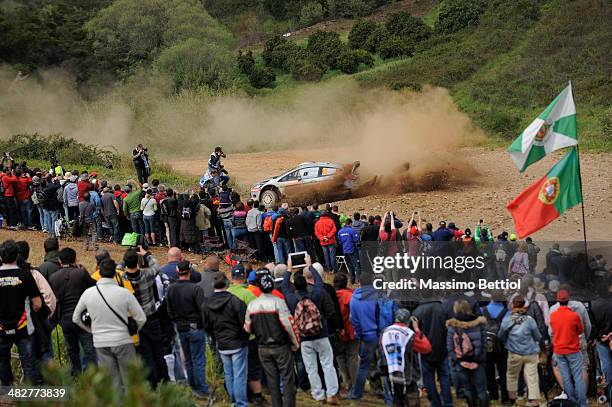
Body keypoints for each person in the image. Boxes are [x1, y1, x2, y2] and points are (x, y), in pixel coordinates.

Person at [72, 259, 146, 390]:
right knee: (130, 381)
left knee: (113, 382)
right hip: (122, 340)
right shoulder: (124, 293)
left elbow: (76, 318)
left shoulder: (88, 293)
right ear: (115, 274)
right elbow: (141, 318)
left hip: (101, 342)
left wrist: (92, 330)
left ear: (99, 272)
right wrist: (132, 331)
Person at [244, 274, 300, 407]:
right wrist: (295, 343)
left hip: (262, 346)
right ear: (273, 286)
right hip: (280, 345)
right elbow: (289, 325)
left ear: (259, 287)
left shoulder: (252, 305)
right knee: (287, 378)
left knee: (272, 380)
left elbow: (247, 328)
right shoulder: (278, 302)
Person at [119, 247, 169, 388]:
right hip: (151, 317)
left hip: (135, 320)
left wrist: (124, 260)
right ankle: (164, 380)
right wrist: (146, 254)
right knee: (158, 350)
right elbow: (156, 265)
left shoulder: (122, 278)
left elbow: (118, 267)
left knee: (145, 353)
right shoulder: (147, 274)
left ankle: (151, 383)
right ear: (137, 261)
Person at [48, 247, 97, 376]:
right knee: (89, 348)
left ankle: (76, 373)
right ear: (75, 259)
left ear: (60, 261)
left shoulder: (54, 277)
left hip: (66, 319)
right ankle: (91, 374)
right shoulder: (81, 273)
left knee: (72, 348)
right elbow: (94, 286)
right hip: (83, 317)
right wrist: (84, 270)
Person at [0, 240, 42, 385]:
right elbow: (37, 304)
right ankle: (30, 395)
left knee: (2, 361)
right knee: (29, 364)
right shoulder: (25, 275)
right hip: (23, 326)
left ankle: (7, 390)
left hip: (1, 327)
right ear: (17, 256)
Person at [204, 273, 249, 407]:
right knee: (239, 375)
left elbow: (207, 326)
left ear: (213, 285)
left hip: (222, 343)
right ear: (227, 283)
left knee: (229, 374)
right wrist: (243, 337)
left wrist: (215, 337)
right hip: (237, 342)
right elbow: (244, 322)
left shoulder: (207, 304)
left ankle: (234, 401)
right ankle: (240, 403)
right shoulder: (235, 301)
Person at [166, 260, 209, 398]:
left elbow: (169, 310)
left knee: (188, 359)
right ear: (190, 272)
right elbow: (203, 310)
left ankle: (192, 385)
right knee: (198, 359)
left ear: (178, 272)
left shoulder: (171, 289)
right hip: (195, 327)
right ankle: (201, 389)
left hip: (180, 328)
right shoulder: (196, 289)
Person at [380, 309, 432, 407]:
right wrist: (417, 330)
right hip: (408, 372)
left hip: (391, 370)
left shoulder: (385, 332)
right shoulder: (409, 334)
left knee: (396, 397)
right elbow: (427, 348)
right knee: (412, 398)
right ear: (409, 321)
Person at [498, 294, 541, 406]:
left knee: (512, 375)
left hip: (514, 352)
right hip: (531, 352)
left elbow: (500, 336)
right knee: (532, 377)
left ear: (512, 305)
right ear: (524, 305)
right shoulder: (530, 320)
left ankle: (513, 400)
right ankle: (534, 401)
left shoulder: (507, 320)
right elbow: (538, 336)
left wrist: (507, 341)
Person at [446, 299, 488, 407]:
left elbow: (450, 347)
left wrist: (456, 360)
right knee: (481, 390)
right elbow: (484, 345)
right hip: (477, 362)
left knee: (468, 389)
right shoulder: (479, 324)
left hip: (461, 362)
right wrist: (480, 361)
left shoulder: (452, 326)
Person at [549, 289, 587, 407]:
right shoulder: (574, 316)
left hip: (559, 351)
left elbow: (551, 332)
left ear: (558, 300)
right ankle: (582, 404)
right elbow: (581, 330)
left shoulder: (553, 315)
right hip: (573, 350)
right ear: (568, 299)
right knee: (578, 378)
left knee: (566, 378)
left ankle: (572, 402)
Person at [413, 298, 453, 407]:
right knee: (444, 377)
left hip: (426, 350)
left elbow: (415, 332)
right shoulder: (443, 308)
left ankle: (435, 402)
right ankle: (448, 402)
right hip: (442, 348)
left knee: (428, 379)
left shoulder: (418, 311)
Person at [349, 273, 380, 400]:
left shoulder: (354, 299)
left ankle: (358, 393)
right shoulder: (378, 296)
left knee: (365, 366)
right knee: (384, 364)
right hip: (378, 333)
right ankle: (386, 392)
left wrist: (360, 334)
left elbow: (354, 320)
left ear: (359, 283)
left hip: (365, 335)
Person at [333, 273, 358, 397]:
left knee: (340, 358)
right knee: (352, 357)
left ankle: (346, 382)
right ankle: (354, 384)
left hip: (337, 332)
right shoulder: (350, 296)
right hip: (351, 331)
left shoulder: (331, 296)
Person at [591, 283, 612, 388]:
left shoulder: (593, 304)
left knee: (605, 363)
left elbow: (592, 324)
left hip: (601, 338)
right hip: (609, 335)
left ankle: (609, 386)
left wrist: (597, 336)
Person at [337, 218, 361, 283]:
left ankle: (352, 280)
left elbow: (339, 241)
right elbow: (356, 240)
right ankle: (358, 279)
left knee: (349, 266)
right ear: (350, 224)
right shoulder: (351, 230)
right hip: (352, 250)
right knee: (356, 265)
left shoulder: (340, 231)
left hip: (345, 251)